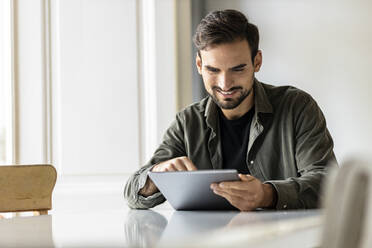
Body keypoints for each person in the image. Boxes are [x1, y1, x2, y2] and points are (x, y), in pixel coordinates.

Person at [124, 9, 338, 211]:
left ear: (257, 61)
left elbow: (330, 183)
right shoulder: (187, 123)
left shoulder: (297, 108)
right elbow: (132, 193)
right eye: (213, 70)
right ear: (199, 65)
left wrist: (268, 194)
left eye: (238, 69)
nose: (225, 84)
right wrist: (156, 175)